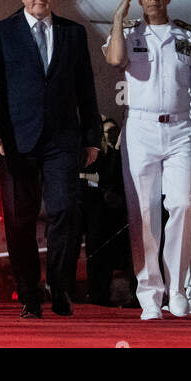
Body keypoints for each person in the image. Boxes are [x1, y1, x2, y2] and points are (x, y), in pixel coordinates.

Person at [0, 0, 102, 318]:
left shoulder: (73, 34)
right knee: (19, 218)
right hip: (17, 140)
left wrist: (92, 137)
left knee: (64, 211)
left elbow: (86, 90)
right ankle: (30, 293)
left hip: (63, 139)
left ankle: (60, 287)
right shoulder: (2, 31)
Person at [103, 0, 191, 319]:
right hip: (142, 128)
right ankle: (150, 293)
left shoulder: (187, 38)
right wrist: (119, 20)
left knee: (183, 205)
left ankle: (178, 288)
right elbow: (115, 59)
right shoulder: (130, 36)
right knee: (144, 213)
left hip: (181, 128)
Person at [79, 116, 130, 307]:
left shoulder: (116, 154)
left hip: (107, 210)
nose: (111, 135)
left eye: (114, 131)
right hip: (87, 202)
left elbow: (113, 176)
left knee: (100, 252)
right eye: (107, 131)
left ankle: (99, 293)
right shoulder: (92, 150)